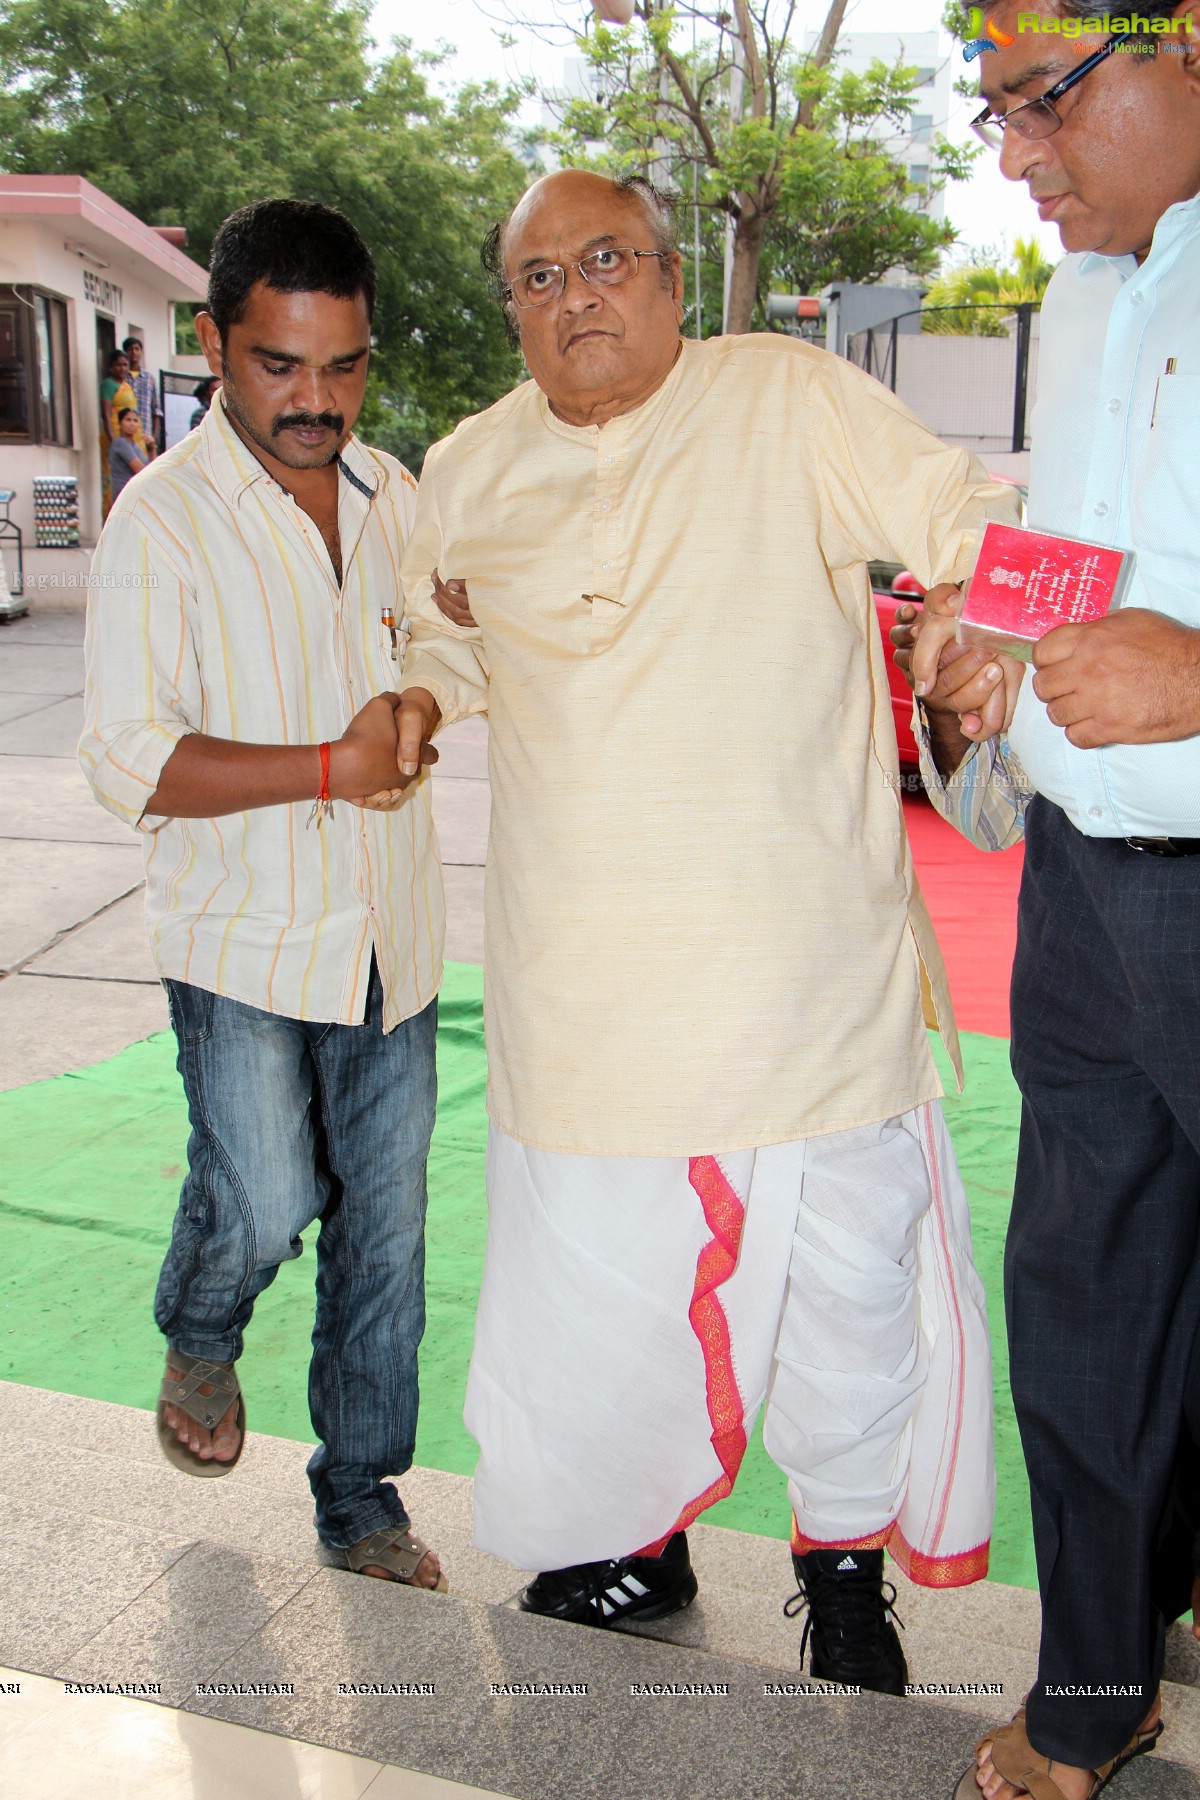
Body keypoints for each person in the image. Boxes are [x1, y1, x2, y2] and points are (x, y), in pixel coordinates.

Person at [388, 167, 1019, 1693]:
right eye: (539, 279)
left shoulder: (788, 401)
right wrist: (414, 695)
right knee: (604, 1307)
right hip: (590, 1002)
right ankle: (634, 1541)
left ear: (672, 280)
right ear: (516, 316)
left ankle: (845, 1577)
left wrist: (978, 611)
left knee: (845, 1299)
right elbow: (438, 634)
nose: (576, 297)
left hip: (808, 989)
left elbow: (973, 504)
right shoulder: (467, 470)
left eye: (606, 260)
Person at [894, 2, 1200, 1792]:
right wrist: (992, 621)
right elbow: (1083, 542)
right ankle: (1094, 1683)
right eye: (993, 110)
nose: (1014, 157)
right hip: (1088, 896)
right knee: (1085, 1291)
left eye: (1041, 103)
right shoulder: (1083, 297)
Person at [79, 198, 447, 1592]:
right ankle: (202, 1321)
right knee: (269, 1195)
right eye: (280, 365)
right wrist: (329, 765)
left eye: (344, 367)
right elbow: (125, 761)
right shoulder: (162, 520)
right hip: (241, 938)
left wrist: (420, 699)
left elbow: (448, 650)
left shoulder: (393, 496)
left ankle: (358, 1496)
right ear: (217, 345)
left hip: (389, 938)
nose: (317, 401)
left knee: (390, 1234)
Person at [99, 348, 138, 517]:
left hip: (131, 438)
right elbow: (106, 414)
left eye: (125, 365)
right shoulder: (108, 385)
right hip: (115, 434)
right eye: (118, 365)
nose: (122, 368)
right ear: (110, 367)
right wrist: (114, 440)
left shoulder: (127, 386)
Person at [123, 336, 161, 457]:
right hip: (125, 435)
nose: (133, 352)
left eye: (137, 349)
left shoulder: (149, 378)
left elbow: (156, 410)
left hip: (145, 433)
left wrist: (153, 437)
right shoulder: (122, 377)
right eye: (130, 349)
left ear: (141, 352)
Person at [109, 407, 148, 501]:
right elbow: (142, 471)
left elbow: (151, 467)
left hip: (136, 494)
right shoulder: (120, 443)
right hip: (123, 495)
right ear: (120, 423)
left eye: (135, 421)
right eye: (128, 420)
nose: (132, 424)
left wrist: (152, 447)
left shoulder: (136, 446)